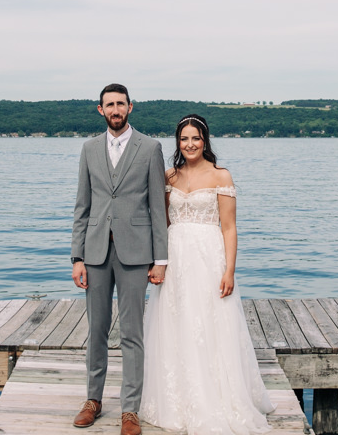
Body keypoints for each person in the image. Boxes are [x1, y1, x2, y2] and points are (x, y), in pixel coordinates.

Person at [140, 113, 275, 435]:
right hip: (175, 258)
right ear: (178, 142)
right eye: (184, 139)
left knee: (210, 324)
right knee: (176, 323)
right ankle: (176, 398)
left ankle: (217, 396)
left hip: (208, 256)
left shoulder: (221, 176)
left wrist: (229, 270)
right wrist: (156, 261)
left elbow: (229, 228)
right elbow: (162, 224)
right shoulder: (169, 176)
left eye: (195, 138)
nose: (189, 144)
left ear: (205, 141)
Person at [71, 83, 169, 435]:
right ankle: (93, 400)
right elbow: (82, 207)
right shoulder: (89, 149)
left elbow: (158, 208)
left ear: (131, 107)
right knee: (96, 330)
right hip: (95, 251)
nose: (115, 109)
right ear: (101, 110)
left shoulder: (151, 148)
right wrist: (76, 257)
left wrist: (161, 260)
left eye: (120, 104)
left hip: (135, 253)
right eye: (109, 105)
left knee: (132, 332)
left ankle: (130, 410)